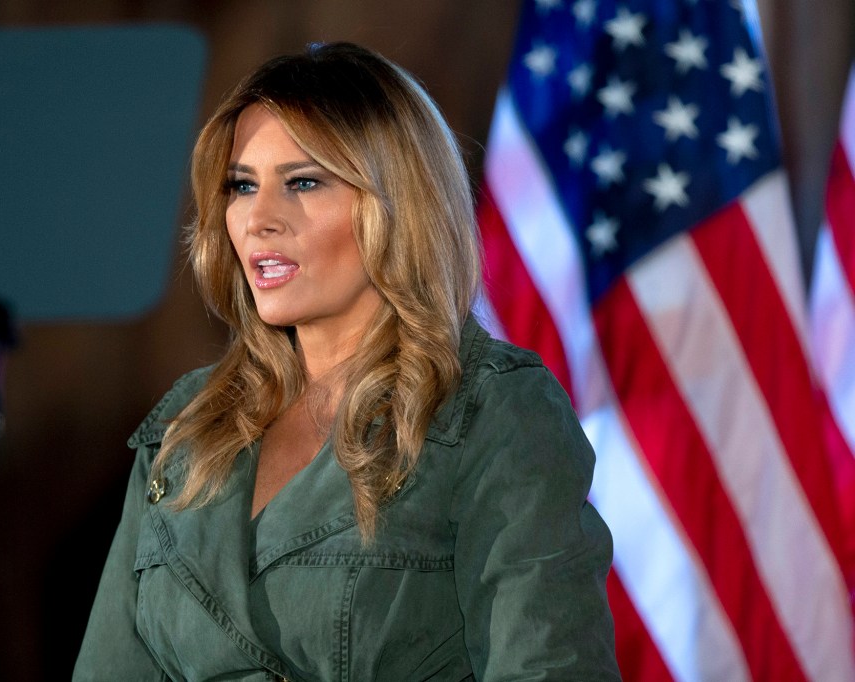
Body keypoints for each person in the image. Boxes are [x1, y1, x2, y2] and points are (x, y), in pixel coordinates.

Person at [73, 42, 620, 681]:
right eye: (242, 186)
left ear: (396, 202)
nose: (258, 220)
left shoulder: (493, 412)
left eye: (303, 182)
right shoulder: (187, 429)